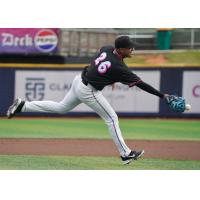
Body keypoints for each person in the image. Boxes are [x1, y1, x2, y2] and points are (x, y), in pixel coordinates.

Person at [7, 36, 168, 165]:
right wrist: (163, 96)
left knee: (61, 107)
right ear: (120, 49)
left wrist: (107, 77)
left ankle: (23, 105)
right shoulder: (119, 68)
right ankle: (126, 154)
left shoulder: (106, 49)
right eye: (129, 47)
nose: (132, 49)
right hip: (88, 90)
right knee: (112, 118)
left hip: (79, 80)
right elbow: (141, 84)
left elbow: (102, 60)